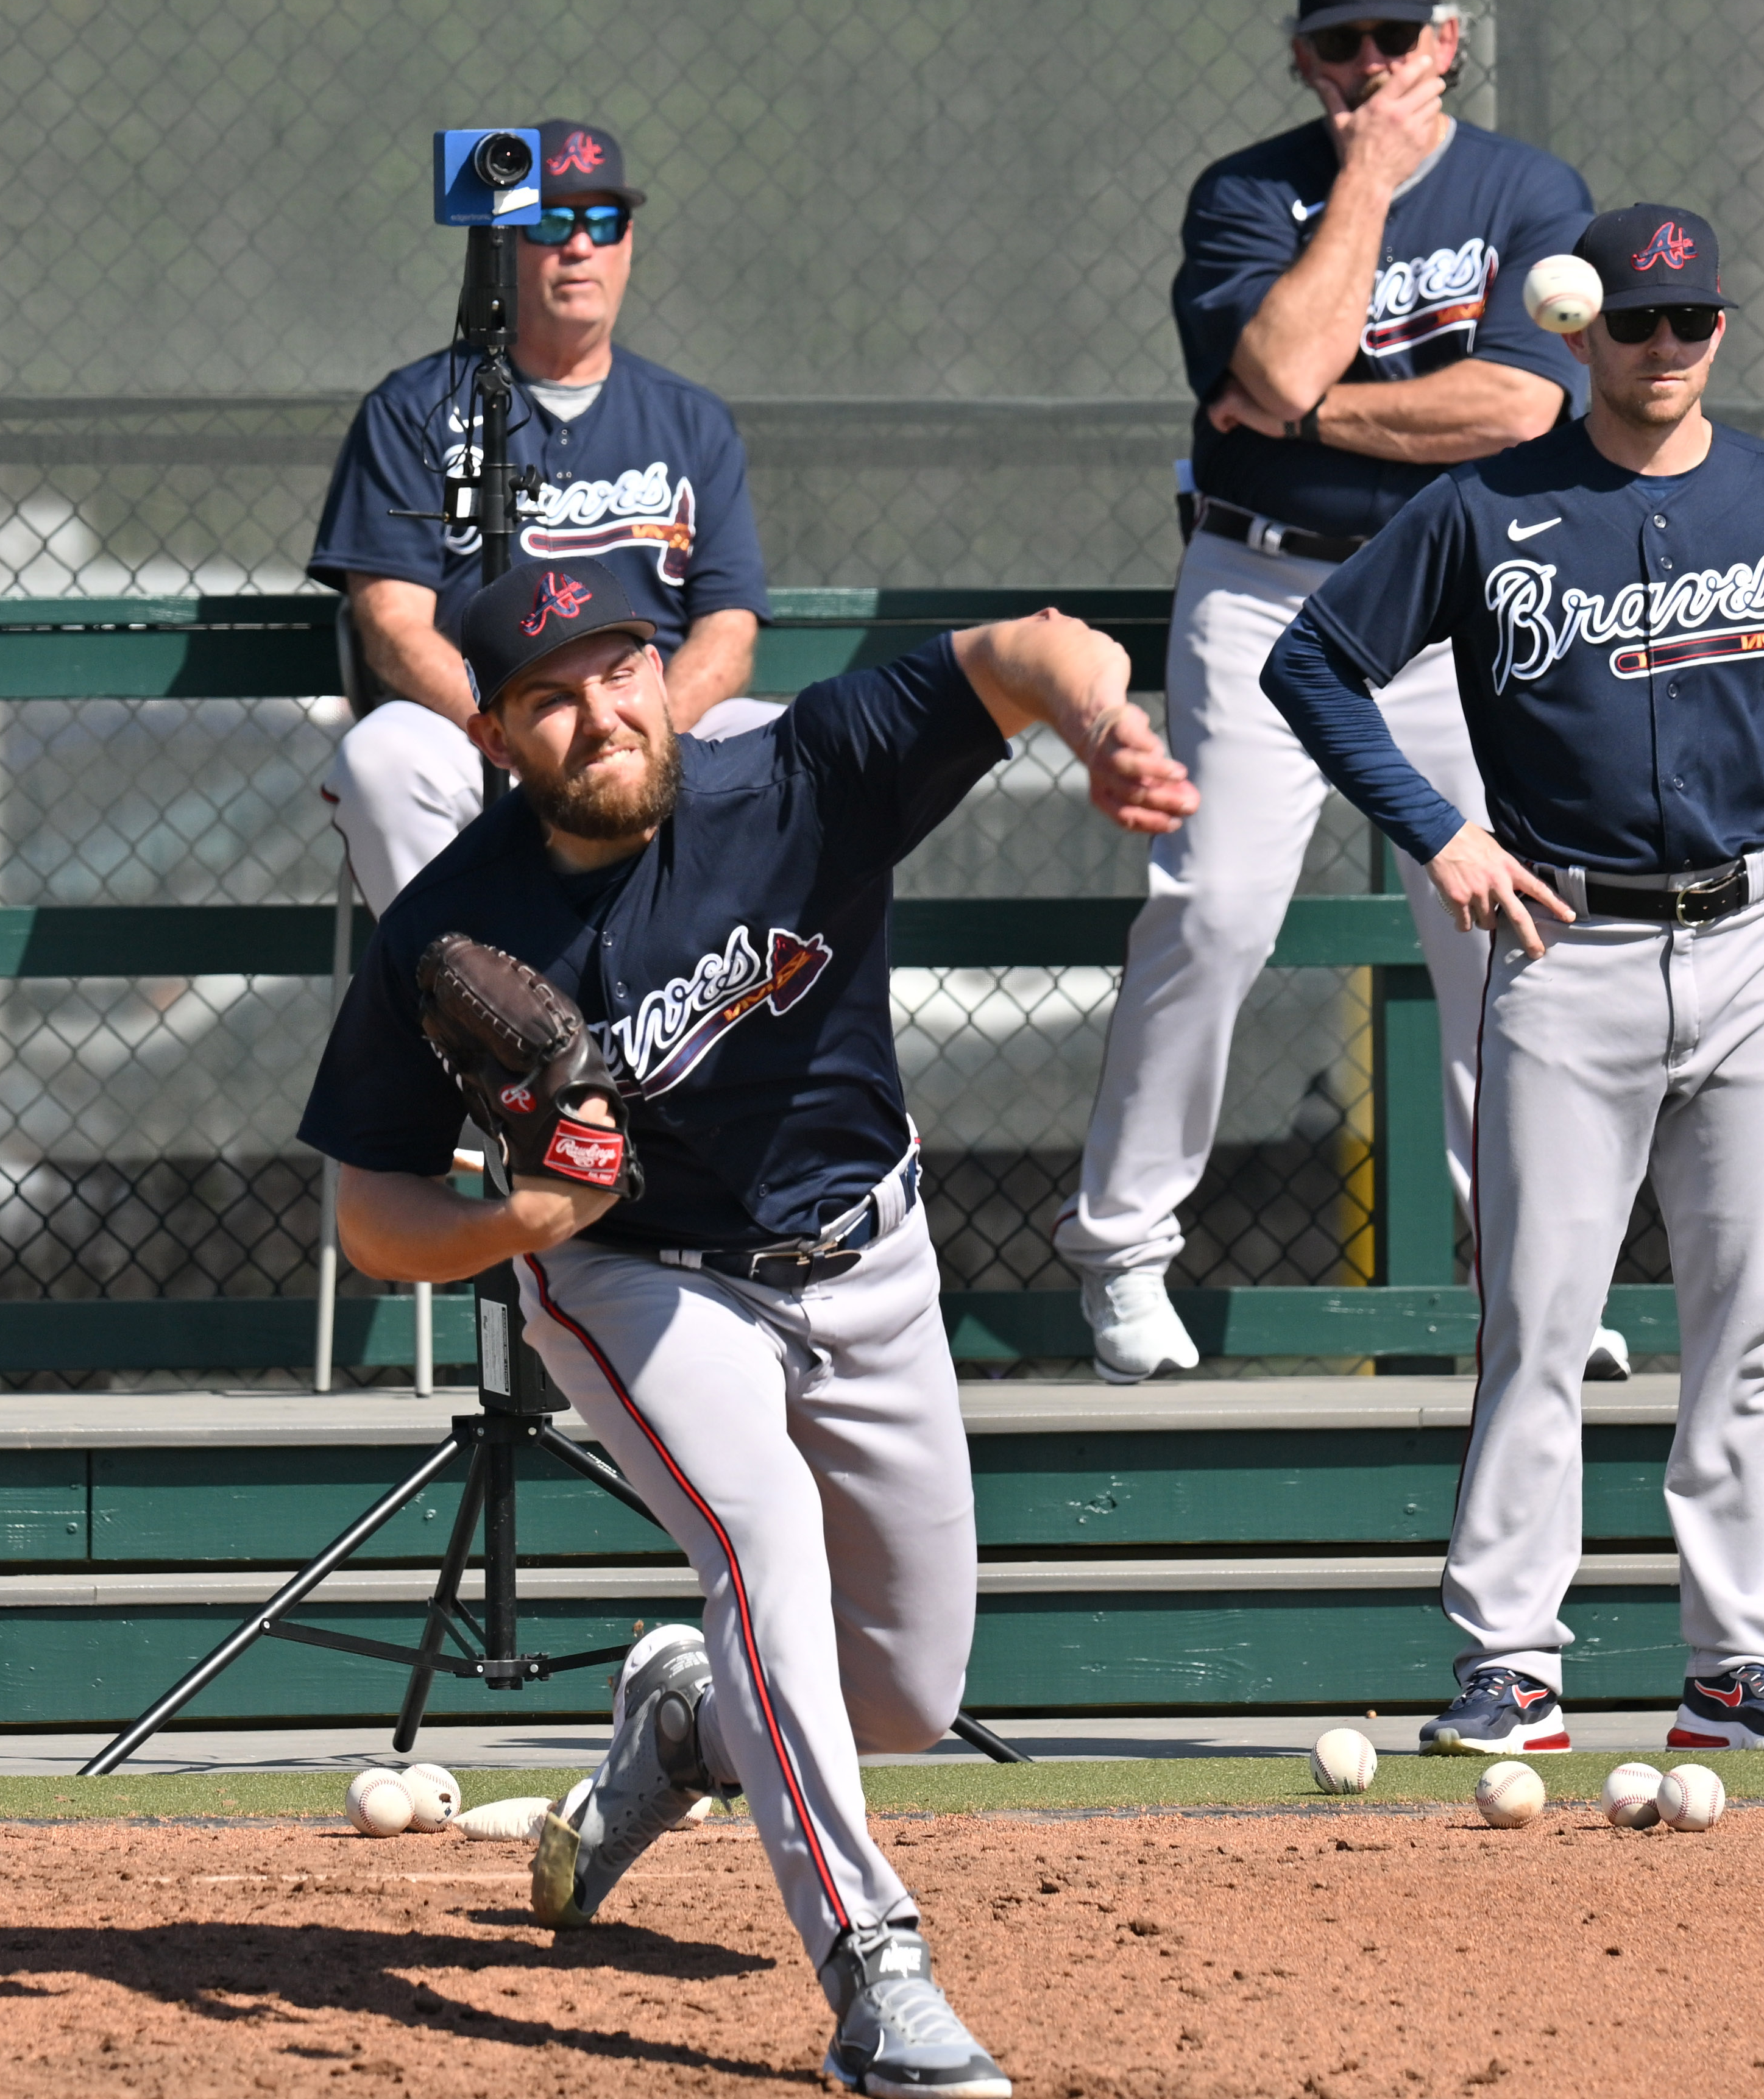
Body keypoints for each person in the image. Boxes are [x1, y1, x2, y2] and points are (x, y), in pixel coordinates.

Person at [299, 551, 1196, 2095]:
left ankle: (686, 1725)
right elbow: (367, 1211)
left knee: (906, 1695)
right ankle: (876, 1972)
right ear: (496, 737)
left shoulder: (799, 773)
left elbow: (1032, 644)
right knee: (759, 1537)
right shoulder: (453, 926)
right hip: (639, 1276)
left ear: (664, 673)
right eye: (549, 697)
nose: (600, 713)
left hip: (869, 1251)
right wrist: (515, 1226)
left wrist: (1101, 724)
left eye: (619, 669)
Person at [1258, 205, 1764, 1754]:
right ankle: (1510, 1661)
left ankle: (1734, 1662)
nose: (1664, 346)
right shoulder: (1486, 506)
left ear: (1718, 331)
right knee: (1535, 1319)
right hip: (1564, 945)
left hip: (1743, 945)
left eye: (1690, 321)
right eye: (1637, 322)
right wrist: (1437, 830)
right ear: (1580, 331)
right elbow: (1309, 660)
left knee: (1744, 1317)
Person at [1058, 0, 1606, 1382]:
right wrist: (1360, 187)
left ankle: (1533, 1278)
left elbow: (1519, 409)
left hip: (1456, 594)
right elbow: (1287, 349)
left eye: (1393, 35)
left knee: (1505, 923)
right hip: (1263, 584)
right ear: (1301, 55)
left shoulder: (1526, 190)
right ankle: (1120, 1249)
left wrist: (1300, 416)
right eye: (1336, 42)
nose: (1367, 65)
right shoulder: (1247, 193)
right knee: (1217, 908)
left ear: (1445, 38)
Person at [308, 119, 774, 913]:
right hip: (481, 728)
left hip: (648, 723)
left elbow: (728, 631)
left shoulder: (691, 421)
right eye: (551, 221)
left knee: (784, 752)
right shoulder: (416, 409)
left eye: (604, 221)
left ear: (628, 244)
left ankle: (713, 1018)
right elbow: (391, 623)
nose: (579, 246)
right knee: (383, 760)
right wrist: (513, 733)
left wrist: (638, 733)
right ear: (503, 245)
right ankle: (468, 1013)